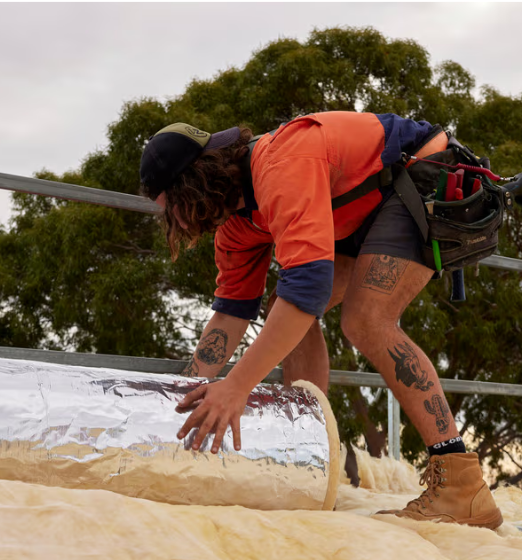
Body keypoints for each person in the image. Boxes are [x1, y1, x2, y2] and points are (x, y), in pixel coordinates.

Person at [139, 112, 502, 529]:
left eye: (172, 211)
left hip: (420, 174)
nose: (177, 225)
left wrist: (237, 386)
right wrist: (187, 396)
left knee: (366, 319)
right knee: (285, 304)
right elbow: (232, 312)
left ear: (194, 186)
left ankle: (461, 484)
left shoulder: (280, 165)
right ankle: (311, 453)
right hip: (359, 207)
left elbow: (309, 287)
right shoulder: (236, 225)